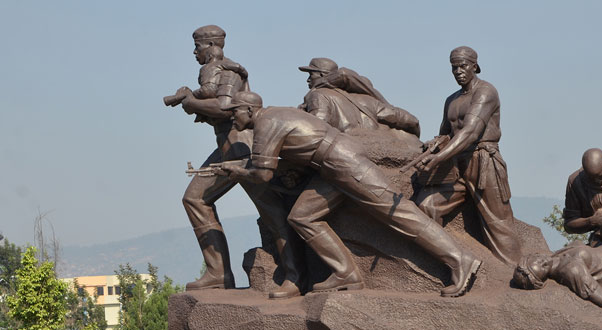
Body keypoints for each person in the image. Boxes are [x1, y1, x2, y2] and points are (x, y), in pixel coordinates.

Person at [215, 91, 481, 298]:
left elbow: (262, 174)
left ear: (248, 109)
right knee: (302, 216)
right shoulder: (277, 114)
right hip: (329, 169)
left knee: (398, 213)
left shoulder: (266, 121)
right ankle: (346, 273)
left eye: (233, 112)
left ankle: (460, 260)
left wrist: (236, 171)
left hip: (343, 163)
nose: (231, 118)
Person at [165, 25, 303, 297]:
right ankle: (218, 273)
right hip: (226, 147)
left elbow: (223, 107)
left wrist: (192, 103)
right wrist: (193, 97)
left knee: (272, 211)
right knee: (194, 199)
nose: (194, 52)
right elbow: (212, 98)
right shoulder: (215, 72)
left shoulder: (229, 72)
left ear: (211, 45)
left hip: (242, 147)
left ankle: (295, 276)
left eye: (198, 46)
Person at [411, 46, 522, 267]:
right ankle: (444, 266)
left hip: (484, 162)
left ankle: (515, 272)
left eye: (463, 66)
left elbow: (470, 132)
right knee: (427, 206)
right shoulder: (451, 100)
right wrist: (434, 145)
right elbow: (446, 133)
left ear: (474, 66)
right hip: (455, 165)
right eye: (454, 67)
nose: (458, 71)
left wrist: (438, 158)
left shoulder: (486, 92)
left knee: (499, 225)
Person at [298, 57, 420, 136]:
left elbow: (316, 130)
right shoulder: (368, 100)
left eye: (311, 75)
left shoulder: (318, 95)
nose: (308, 80)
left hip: (346, 154)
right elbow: (412, 121)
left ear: (321, 74)